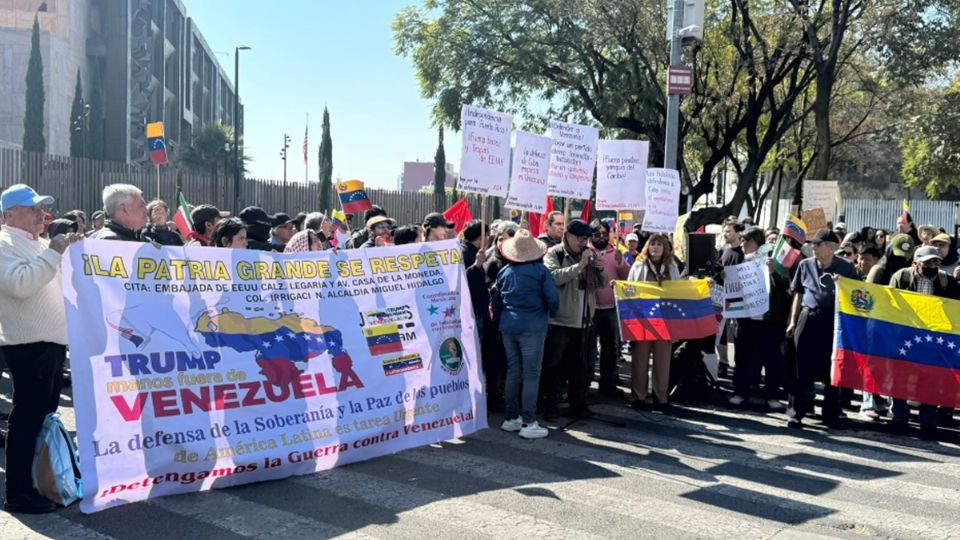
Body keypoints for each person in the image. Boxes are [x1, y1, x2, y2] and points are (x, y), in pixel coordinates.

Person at [0, 184, 82, 513]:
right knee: (27, 419)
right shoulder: (5, 243)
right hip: (27, 345)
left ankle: (41, 480)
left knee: (43, 417)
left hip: (49, 344)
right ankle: (18, 492)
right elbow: (20, 285)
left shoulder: (38, 244)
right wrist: (53, 253)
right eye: (32, 208)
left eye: (40, 208)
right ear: (9, 214)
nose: (40, 214)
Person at [785, 228, 859, 429]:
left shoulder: (846, 268)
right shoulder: (805, 264)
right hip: (808, 317)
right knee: (800, 366)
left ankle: (830, 414)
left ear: (832, 248)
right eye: (813, 244)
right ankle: (795, 413)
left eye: (818, 244)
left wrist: (843, 286)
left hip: (834, 322)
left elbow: (857, 296)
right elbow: (798, 294)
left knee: (831, 369)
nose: (813, 247)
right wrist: (793, 321)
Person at [493, 229, 560, 439]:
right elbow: (553, 299)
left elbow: (495, 303)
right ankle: (529, 421)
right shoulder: (540, 271)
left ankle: (511, 418)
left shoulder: (504, 272)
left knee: (513, 372)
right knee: (531, 374)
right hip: (533, 326)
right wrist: (551, 313)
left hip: (508, 326)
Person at [888, 246, 960, 439]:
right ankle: (899, 418)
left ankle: (928, 421)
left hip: (933, 339)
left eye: (936, 262)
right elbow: (889, 303)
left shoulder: (947, 281)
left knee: (932, 380)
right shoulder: (901, 277)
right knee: (900, 378)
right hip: (905, 336)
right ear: (916, 262)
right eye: (928, 262)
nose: (932, 265)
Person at [542, 219, 606, 419]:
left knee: (580, 366)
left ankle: (578, 405)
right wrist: (581, 265)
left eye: (586, 239)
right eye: (580, 238)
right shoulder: (555, 253)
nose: (583, 242)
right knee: (554, 366)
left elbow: (602, 284)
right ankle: (549, 406)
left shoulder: (589, 254)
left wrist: (600, 268)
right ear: (568, 236)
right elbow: (554, 278)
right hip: (561, 320)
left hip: (584, 319)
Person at [729, 227, 788, 410]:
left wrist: (773, 273)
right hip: (746, 319)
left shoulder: (773, 260)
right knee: (743, 358)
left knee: (771, 360)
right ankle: (740, 393)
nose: (742, 245)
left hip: (769, 321)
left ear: (753, 242)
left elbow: (785, 286)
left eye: (744, 241)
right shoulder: (740, 259)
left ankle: (771, 396)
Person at [626, 233, 680, 408]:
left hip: (665, 321)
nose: (655, 247)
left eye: (659, 244)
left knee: (662, 362)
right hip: (643, 320)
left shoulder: (672, 267)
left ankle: (660, 397)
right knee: (640, 360)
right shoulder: (639, 265)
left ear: (665, 248)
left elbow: (679, 293)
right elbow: (629, 289)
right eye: (652, 244)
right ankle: (638, 396)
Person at [589, 219, 630, 396]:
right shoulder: (585, 252)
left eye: (604, 234)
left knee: (610, 347)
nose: (601, 237)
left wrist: (621, 264)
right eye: (597, 234)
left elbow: (628, 277)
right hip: (590, 309)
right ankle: (585, 383)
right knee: (589, 348)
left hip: (611, 308)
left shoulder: (616, 253)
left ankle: (607, 382)